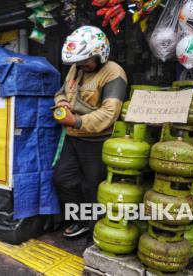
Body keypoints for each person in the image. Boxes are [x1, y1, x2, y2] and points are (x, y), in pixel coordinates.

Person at [53, 26, 128, 238]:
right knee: (62, 178)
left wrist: (76, 121)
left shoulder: (114, 73)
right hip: (73, 137)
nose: (81, 65)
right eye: (77, 62)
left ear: (100, 53)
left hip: (98, 140)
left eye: (85, 61)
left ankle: (94, 227)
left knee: (92, 186)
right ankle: (80, 219)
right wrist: (62, 105)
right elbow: (60, 92)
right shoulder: (76, 69)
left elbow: (109, 113)